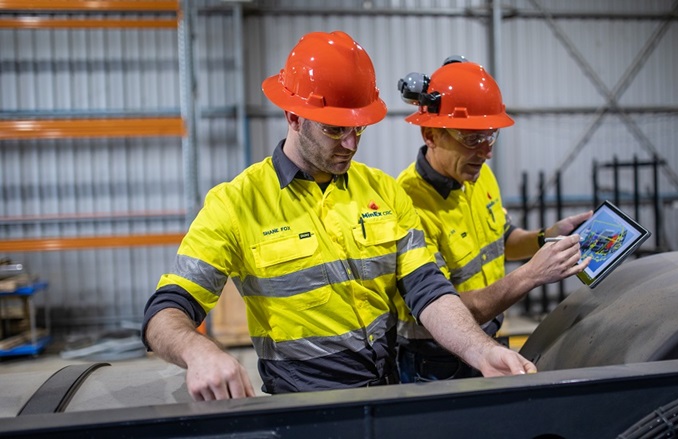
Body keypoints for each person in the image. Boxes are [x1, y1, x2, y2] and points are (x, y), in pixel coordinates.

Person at [141, 31, 535, 400]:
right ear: (293, 117)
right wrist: (199, 351)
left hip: (388, 391)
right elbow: (166, 310)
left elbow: (428, 291)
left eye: (359, 129)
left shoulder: (383, 191)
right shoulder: (237, 204)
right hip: (306, 407)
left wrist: (481, 351)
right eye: (335, 130)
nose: (350, 144)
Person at [394, 57, 591, 383]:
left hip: (488, 337)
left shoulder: (477, 175)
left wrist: (546, 237)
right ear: (430, 134)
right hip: (436, 361)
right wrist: (531, 275)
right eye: (471, 139)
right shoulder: (409, 205)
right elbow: (448, 311)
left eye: (490, 136)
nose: (486, 152)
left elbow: (503, 239)